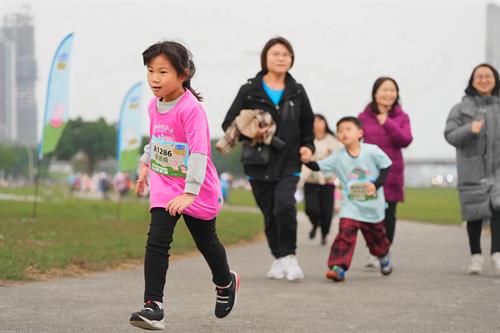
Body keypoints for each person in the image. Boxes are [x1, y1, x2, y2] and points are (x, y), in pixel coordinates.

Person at [130, 41, 239, 330]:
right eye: (150, 71)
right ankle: (154, 306)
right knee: (157, 239)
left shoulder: (192, 109)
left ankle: (225, 282)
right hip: (165, 183)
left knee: (207, 243)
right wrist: (144, 166)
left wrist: (190, 193)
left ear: (183, 74)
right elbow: (157, 140)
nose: (155, 78)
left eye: (163, 71)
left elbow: (200, 152)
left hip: (197, 187)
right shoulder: (154, 105)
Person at [221, 37, 315, 281]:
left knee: (284, 205)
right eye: (276, 53)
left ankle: (290, 257)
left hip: (290, 161)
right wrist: (253, 131)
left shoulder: (297, 91)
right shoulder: (250, 90)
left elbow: (307, 126)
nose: (281, 58)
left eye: (286, 54)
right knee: (269, 212)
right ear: (265, 58)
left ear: (292, 60)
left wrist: (308, 147)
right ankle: (278, 258)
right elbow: (228, 123)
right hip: (258, 161)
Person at [305, 116, 393, 282]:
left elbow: (386, 165)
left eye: (348, 129)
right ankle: (338, 267)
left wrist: (377, 184)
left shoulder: (371, 151)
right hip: (350, 206)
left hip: (372, 207)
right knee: (344, 235)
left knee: (377, 239)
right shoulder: (338, 156)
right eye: (339, 130)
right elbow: (319, 166)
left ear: (360, 133)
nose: (343, 133)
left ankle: (383, 256)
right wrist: (305, 160)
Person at [444, 63, 500, 275]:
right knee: (474, 213)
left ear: (495, 80)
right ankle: (475, 256)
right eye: (479, 76)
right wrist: (470, 129)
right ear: (472, 81)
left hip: (497, 169)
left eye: (488, 76)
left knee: (498, 209)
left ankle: (497, 254)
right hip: (472, 169)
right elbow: (450, 135)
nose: (484, 80)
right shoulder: (460, 108)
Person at [358, 77, 412, 267]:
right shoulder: (363, 117)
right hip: (368, 174)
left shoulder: (402, 117)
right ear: (375, 93)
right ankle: (373, 249)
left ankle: (383, 251)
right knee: (368, 215)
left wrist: (388, 122)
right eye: (384, 90)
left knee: (388, 216)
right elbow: (354, 142)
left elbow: (405, 140)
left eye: (392, 90)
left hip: (392, 173)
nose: (388, 94)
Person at [300, 114, 342, 245]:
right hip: (310, 179)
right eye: (314, 121)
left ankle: (324, 234)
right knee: (310, 209)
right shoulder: (306, 140)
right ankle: (315, 223)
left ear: (325, 123)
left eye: (320, 121)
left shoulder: (333, 141)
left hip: (327, 180)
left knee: (326, 212)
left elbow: (338, 158)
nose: (317, 124)